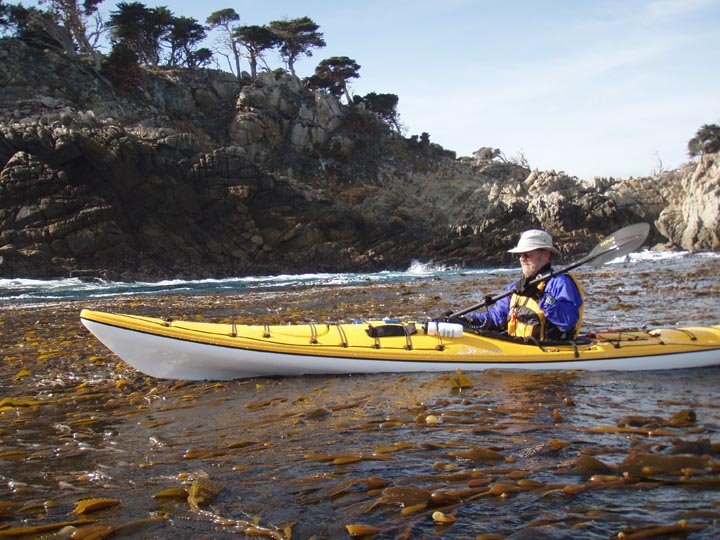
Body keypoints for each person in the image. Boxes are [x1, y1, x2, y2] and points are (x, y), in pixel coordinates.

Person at [459, 229, 584, 341]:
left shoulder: (560, 282)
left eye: (527, 254)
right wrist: (466, 319)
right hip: (519, 346)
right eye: (520, 254)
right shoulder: (517, 287)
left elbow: (568, 320)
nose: (521, 258)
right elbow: (495, 317)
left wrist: (538, 295)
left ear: (546, 255)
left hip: (549, 350)